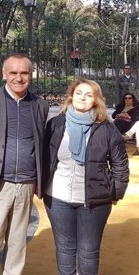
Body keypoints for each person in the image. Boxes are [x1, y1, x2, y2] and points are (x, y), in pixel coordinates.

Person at [42, 79, 129, 275]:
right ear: (71, 95)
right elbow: (45, 157)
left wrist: (116, 192)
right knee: (65, 249)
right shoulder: (56, 124)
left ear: (96, 100)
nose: (83, 98)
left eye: (89, 95)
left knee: (88, 252)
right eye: (79, 93)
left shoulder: (107, 129)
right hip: (58, 197)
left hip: (94, 201)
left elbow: (120, 164)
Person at [0, 54, 49, 275]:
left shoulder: (40, 105)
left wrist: (39, 179)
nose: (19, 78)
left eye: (24, 73)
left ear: (31, 75)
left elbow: (41, 143)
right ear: (4, 74)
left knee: (18, 242)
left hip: (27, 183)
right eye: (13, 73)